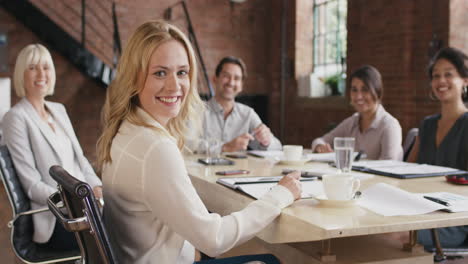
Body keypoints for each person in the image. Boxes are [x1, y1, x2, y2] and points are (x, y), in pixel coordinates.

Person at [96, 20, 302, 264]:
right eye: (160, 72)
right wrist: (280, 194)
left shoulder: (127, 129)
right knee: (270, 261)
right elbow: (214, 239)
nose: (175, 86)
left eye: (182, 72)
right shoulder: (155, 148)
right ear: (134, 77)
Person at [1, 44, 102, 249]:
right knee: (116, 237)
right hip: (58, 218)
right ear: (22, 73)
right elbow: (32, 185)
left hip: (85, 209)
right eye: (32, 68)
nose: (41, 74)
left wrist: (97, 188)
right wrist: (74, 205)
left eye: (46, 67)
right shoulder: (16, 118)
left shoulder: (59, 110)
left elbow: (80, 161)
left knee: (129, 224)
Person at [407, 47, 468, 248]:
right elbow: (407, 171)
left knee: (392, 236)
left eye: (448, 74)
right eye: (436, 76)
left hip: (455, 219)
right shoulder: (427, 125)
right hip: (420, 208)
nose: (441, 81)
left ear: (465, 80)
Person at [311, 65, 403, 160]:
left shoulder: (389, 126)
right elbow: (319, 140)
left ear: (377, 91)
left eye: (365, 90)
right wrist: (320, 147)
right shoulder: (352, 122)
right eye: (354, 90)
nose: (358, 96)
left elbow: (390, 165)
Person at [201, 56, 282, 153]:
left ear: (241, 86)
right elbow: (187, 144)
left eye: (237, 78)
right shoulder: (197, 111)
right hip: (205, 168)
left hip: (239, 168)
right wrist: (224, 147)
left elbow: (277, 147)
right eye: (226, 76)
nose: (231, 82)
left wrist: (266, 141)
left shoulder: (248, 114)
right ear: (215, 79)